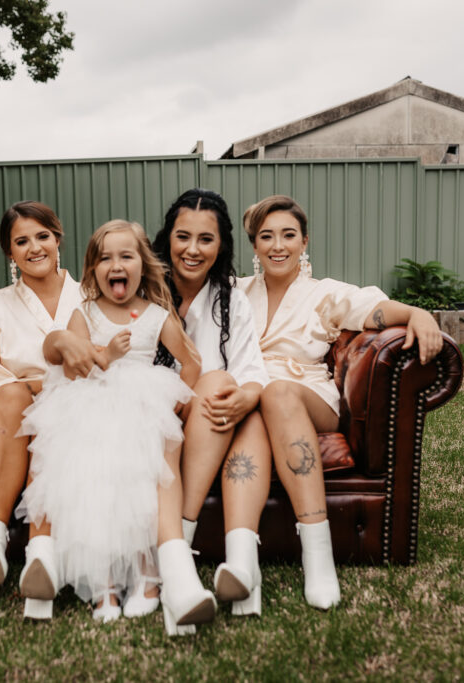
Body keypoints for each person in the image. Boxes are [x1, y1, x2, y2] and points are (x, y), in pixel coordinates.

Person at [236, 194, 443, 610]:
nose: (278, 245)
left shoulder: (324, 294)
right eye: (266, 236)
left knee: (275, 391)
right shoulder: (236, 292)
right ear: (254, 247)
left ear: (304, 241)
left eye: (288, 235)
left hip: (306, 395)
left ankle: (318, 555)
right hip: (252, 395)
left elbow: (374, 310)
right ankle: (242, 562)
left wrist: (418, 312)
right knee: (258, 402)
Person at [17, 220, 201, 626]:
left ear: (142, 265)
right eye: (105, 258)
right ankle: (102, 586)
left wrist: (175, 405)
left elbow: (192, 362)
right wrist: (106, 355)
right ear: (93, 270)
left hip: (142, 406)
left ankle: (148, 580)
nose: (116, 265)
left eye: (126, 256)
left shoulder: (156, 316)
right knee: (95, 490)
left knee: (137, 488)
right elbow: (69, 370)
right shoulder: (84, 314)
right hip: (92, 404)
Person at [148, 188, 273, 620]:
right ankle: (194, 551)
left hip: (210, 422)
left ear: (221, 245)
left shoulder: (231, 297)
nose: (193, 250)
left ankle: (235, 563)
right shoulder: (141, 290)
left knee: (242, 403)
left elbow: (251, 368)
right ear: (167, 238)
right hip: (153, 422)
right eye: (183, 237)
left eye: (206, 239)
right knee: (218, 381)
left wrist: (246, 396)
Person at [0, 200, 83, 611]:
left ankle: (41, 551)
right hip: (13, 409)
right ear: (9, 253)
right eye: (21, 241)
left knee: (60, 401)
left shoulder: (92, 297)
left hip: (76, 407)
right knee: (11, 395)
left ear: (58, 238)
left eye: (42, 236)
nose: (34, 248)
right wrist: (27, 387)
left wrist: (53, 386)